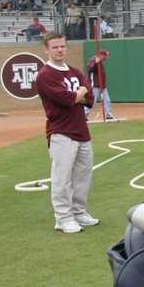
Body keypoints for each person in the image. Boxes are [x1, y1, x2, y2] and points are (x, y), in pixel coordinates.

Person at [35, 33, 98, 234]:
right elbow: (66, 98)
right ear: (46, 49)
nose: (60, 50)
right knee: (62, 179)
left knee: (82, 176)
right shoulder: (45, 74)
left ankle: (79, 212)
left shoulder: (75, 71)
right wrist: (77, 95)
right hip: (61, 132)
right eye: (55, 47)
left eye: (62, 46)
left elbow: (89, 96)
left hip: (81, 131)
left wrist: (77, 95)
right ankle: (62, 218)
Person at [85, 48, 114, 121]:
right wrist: (96, 63)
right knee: (92, 101)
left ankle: (108, 115)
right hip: (94, 85)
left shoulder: (100, 61)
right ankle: (83, 116)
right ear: (101, 55)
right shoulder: (93, 60)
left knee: (107, 100)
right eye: (105, 57)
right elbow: (90, 69)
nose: (106, 59)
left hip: (102, 86)